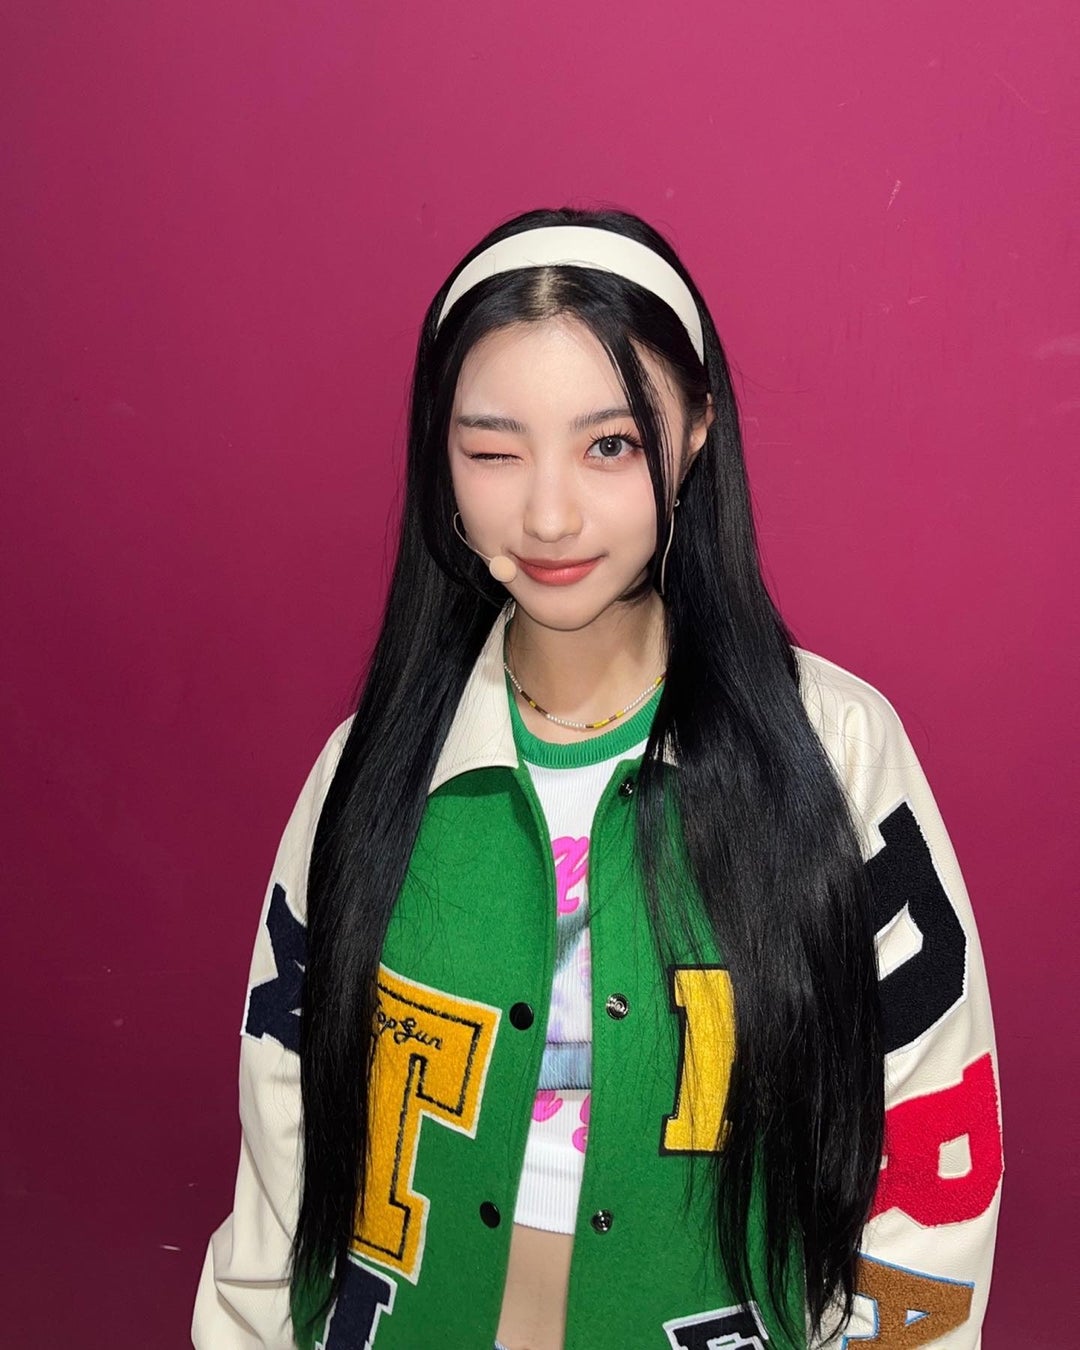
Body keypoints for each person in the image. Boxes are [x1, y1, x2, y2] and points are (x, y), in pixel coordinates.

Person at [192, 207, 1003, 1350]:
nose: (549, 513)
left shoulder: (838, 752)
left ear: (697, 430)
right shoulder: (367, 771)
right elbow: (285, 1143)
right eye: (493, 450)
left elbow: (932, 1142)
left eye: (609, 445)